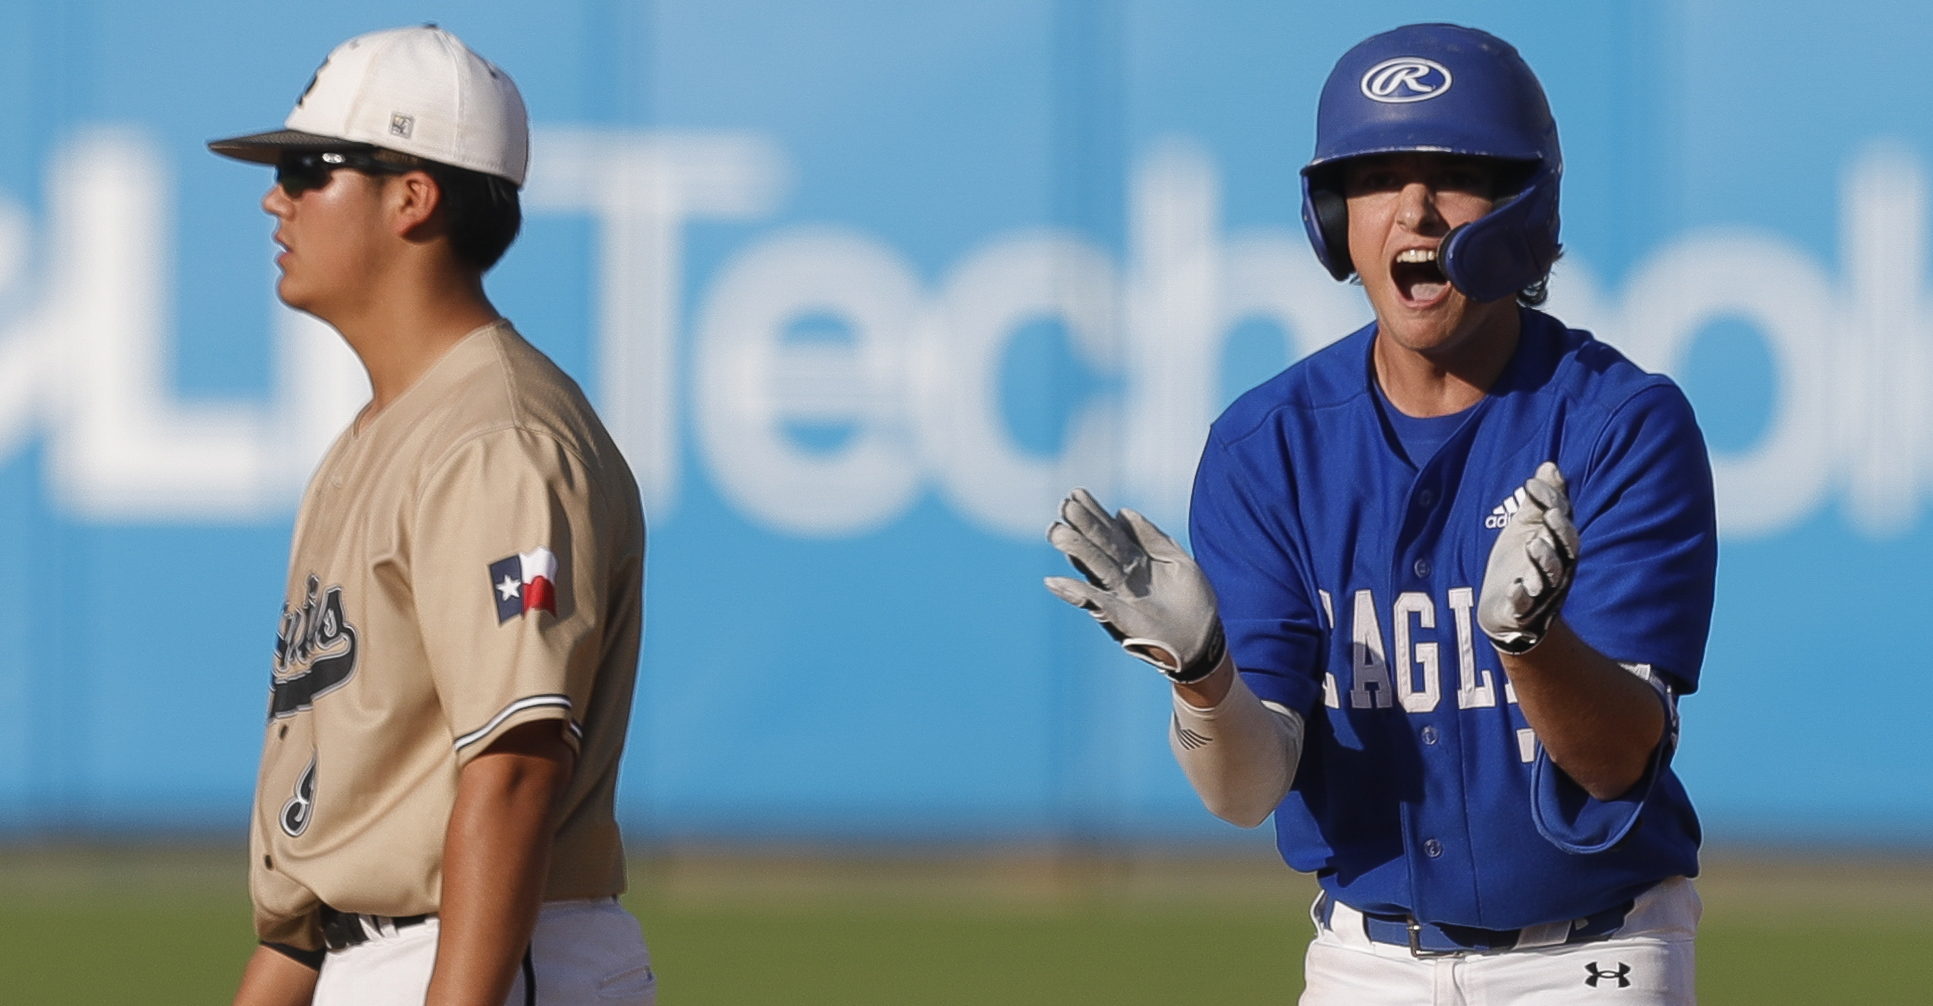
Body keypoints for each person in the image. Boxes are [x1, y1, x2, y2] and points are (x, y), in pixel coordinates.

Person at [1046, 23, 1715, 1005]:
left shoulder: (1619, 424)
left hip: (1593, 957)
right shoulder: (1264, 447)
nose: (1412, 208)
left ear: (1523, 205)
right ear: (1331, 214)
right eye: (1373, 175)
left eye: (1451, 173)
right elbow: (1243, 793)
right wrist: (1203, 679)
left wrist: (1530, 645)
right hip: (1366, 961)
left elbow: (1618, 761)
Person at [209, 25, 655, 1006]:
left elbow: (515, 766)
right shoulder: (370, 442)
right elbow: (319, 889)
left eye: (307, 168)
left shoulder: (498, 435)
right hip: (376, 958)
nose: (273, 197)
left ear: (414, 194)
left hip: (484, 957)